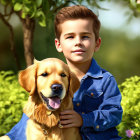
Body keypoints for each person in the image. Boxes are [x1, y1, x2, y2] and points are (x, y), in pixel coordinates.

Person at [6, 5, 123, 140]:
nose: (78, 42)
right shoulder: (40, 94)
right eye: (70, 37)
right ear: (58, 44)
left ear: (97, 43)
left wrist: (84, 120)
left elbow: (114, 114)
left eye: (85, 37)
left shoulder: (105, 80)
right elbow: (25, 124)